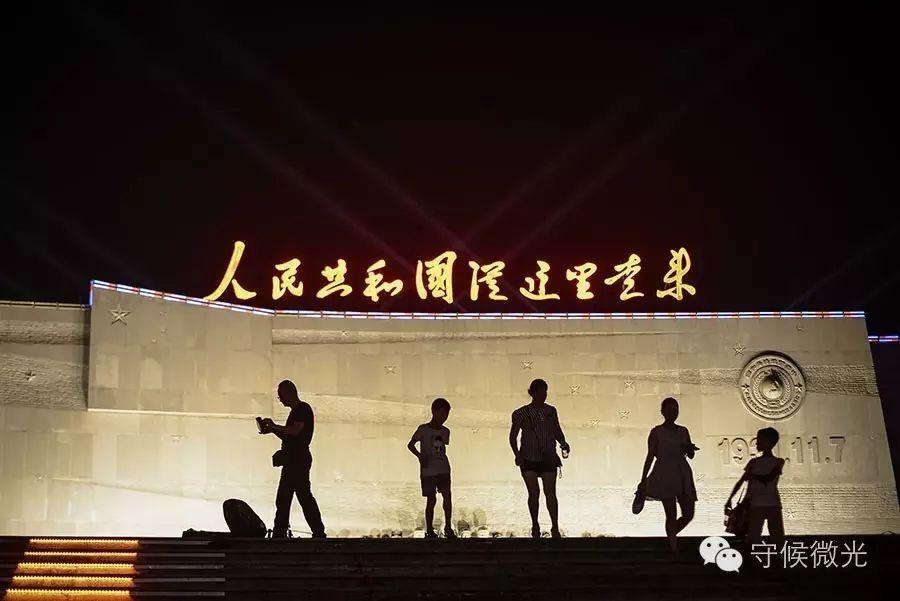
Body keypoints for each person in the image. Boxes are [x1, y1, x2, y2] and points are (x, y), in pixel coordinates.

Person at [259, 380, 326, 538]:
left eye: (281, 396)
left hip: (297, 460)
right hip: (294, 460)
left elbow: (295, 431)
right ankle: (310, 532)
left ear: (290, 393)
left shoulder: (302, 409)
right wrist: (273, 429)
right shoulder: (298, 411)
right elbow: (290, 435)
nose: (280, 400)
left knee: (295, 497)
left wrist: (274, 427)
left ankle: (285, 533)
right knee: (292, 497)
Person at [509, 378, 570, 538]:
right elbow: (513, 435)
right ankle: (535, 524)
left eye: (545, 392)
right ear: (533, 393)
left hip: (547, 456)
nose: (544, 395)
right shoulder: (521, 413)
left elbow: (556, 429)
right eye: (541, 392)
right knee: (534, 492)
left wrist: (563, 443)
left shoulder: (551, 411)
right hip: (529, 456)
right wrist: (517, 454)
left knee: (550, 493)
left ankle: (554, 526)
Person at [638, 397, 698, 553]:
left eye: (676, 410)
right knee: (671, 513)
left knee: (688, 513)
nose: (673, 413)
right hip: (664, 472)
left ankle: (671, 536)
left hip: (682, 471)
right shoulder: (656, 432)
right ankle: (673, 546)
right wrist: (643, 479)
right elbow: (650, 456)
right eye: (670, 410)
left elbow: (691, 455)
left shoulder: (683, 431)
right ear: (663, 412)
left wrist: (689, 448)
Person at [725, 427, 785, 551]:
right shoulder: (754, 463)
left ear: (769, 442)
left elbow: (768, 478)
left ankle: (776, 558)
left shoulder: (778, 462)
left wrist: (752, 475)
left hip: (770, 504)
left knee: (776, 537)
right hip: (758, 504)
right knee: (754, 536)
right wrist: (730, 499)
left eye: (760, 440)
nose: (757, 443)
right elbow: (741, 482)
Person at [407, 398, 456, 538]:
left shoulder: (446, 431)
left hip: (443, 468)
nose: (444, 417)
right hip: (428, 469)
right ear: (434, 411)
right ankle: (429, 529)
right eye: (442, 413)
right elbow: (410, 444)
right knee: (431, 499)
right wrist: (420, 456)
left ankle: (448, 527)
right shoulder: (423, 429)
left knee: (447, 496)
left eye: (446, 414)